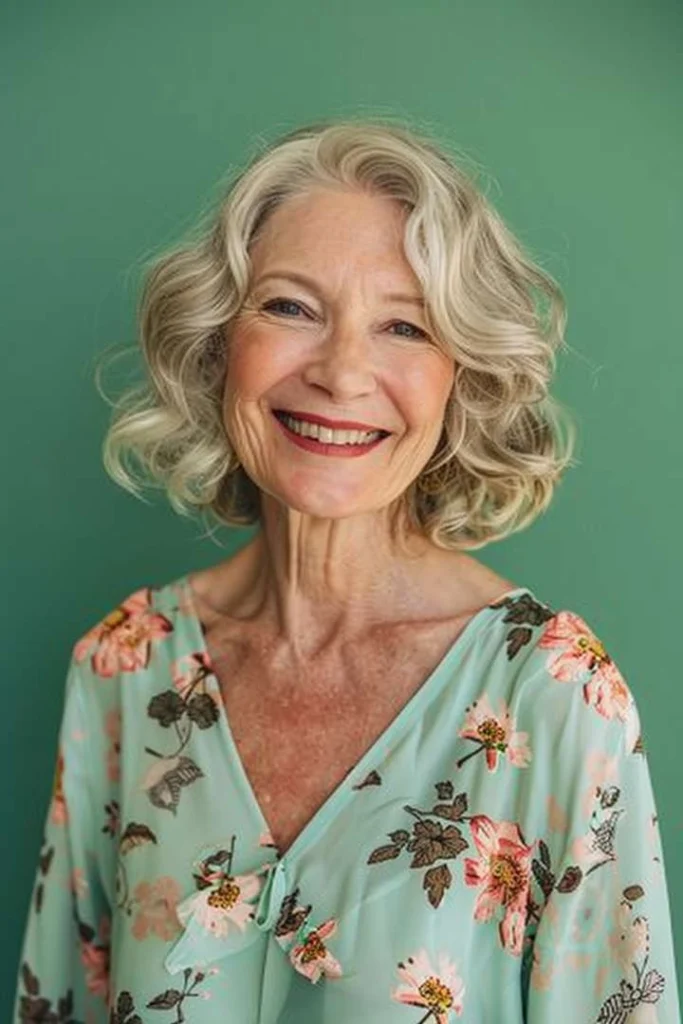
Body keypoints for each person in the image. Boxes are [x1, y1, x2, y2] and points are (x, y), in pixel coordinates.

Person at [13, 119, 680, 1023]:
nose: (341, 372)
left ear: (459, 380)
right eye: (290, 307)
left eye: (403, 325)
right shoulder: (123, 670)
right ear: (218, 346)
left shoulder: (552, 693)